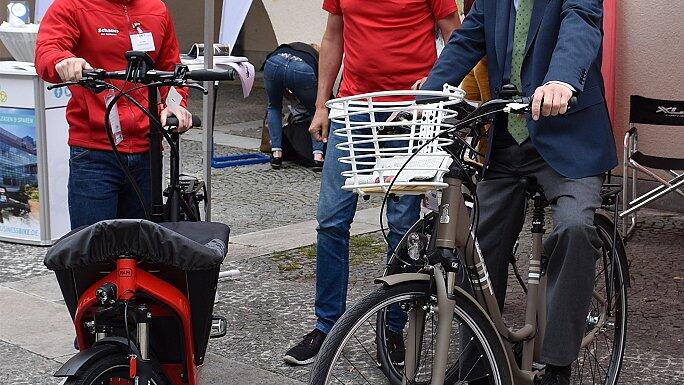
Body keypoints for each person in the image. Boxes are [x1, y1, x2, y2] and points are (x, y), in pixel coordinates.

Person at [417, 0, 618, 384]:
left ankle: (558, 362)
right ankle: (479, 356)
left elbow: (581, 26)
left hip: (568, 142)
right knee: (474, 241)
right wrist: (425, 97)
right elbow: (463, 43)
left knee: (575, 227)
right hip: (508, 145)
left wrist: (561, 80)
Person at [283, 0, 461, 366]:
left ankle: (392, 328)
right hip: (355, 108)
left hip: (411, 112)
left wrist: (439, 90)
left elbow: (454, 35)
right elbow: (334, 37)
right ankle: (327, 326)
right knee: (331, 220)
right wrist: (321, 105)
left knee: (401, 225)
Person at [35, 0, 192, 230]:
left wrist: (176, 104)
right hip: (94, 152)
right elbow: (47, 49)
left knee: (144, 248)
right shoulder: (72, 5)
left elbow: (170, 69)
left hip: (147, 150)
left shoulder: (156, 8)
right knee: (93, 252)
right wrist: (62, 61)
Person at [263, 42, 325, 170]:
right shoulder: (313, 58)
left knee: (274, 106)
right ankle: (318, 158)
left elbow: (284, 86)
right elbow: (320, 94)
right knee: (316, 111)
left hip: (274, 62)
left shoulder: (295, 47)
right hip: (301, 69)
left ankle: (276, 155)